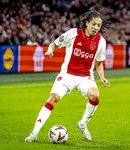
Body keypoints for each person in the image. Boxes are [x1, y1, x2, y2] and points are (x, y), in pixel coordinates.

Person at [25, 11, 111, 142]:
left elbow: (99, 63)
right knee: (53, 98)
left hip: (85, 77)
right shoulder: (73, 33)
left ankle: (82, 124)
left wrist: (102, 77)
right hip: (67, 75)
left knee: (96, 96)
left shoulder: (101, 42)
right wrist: (50, 50)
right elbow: (54, 44)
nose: (96, 27)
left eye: (98, 25)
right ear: (87, 23)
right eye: (93, 24)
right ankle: (34, 133)